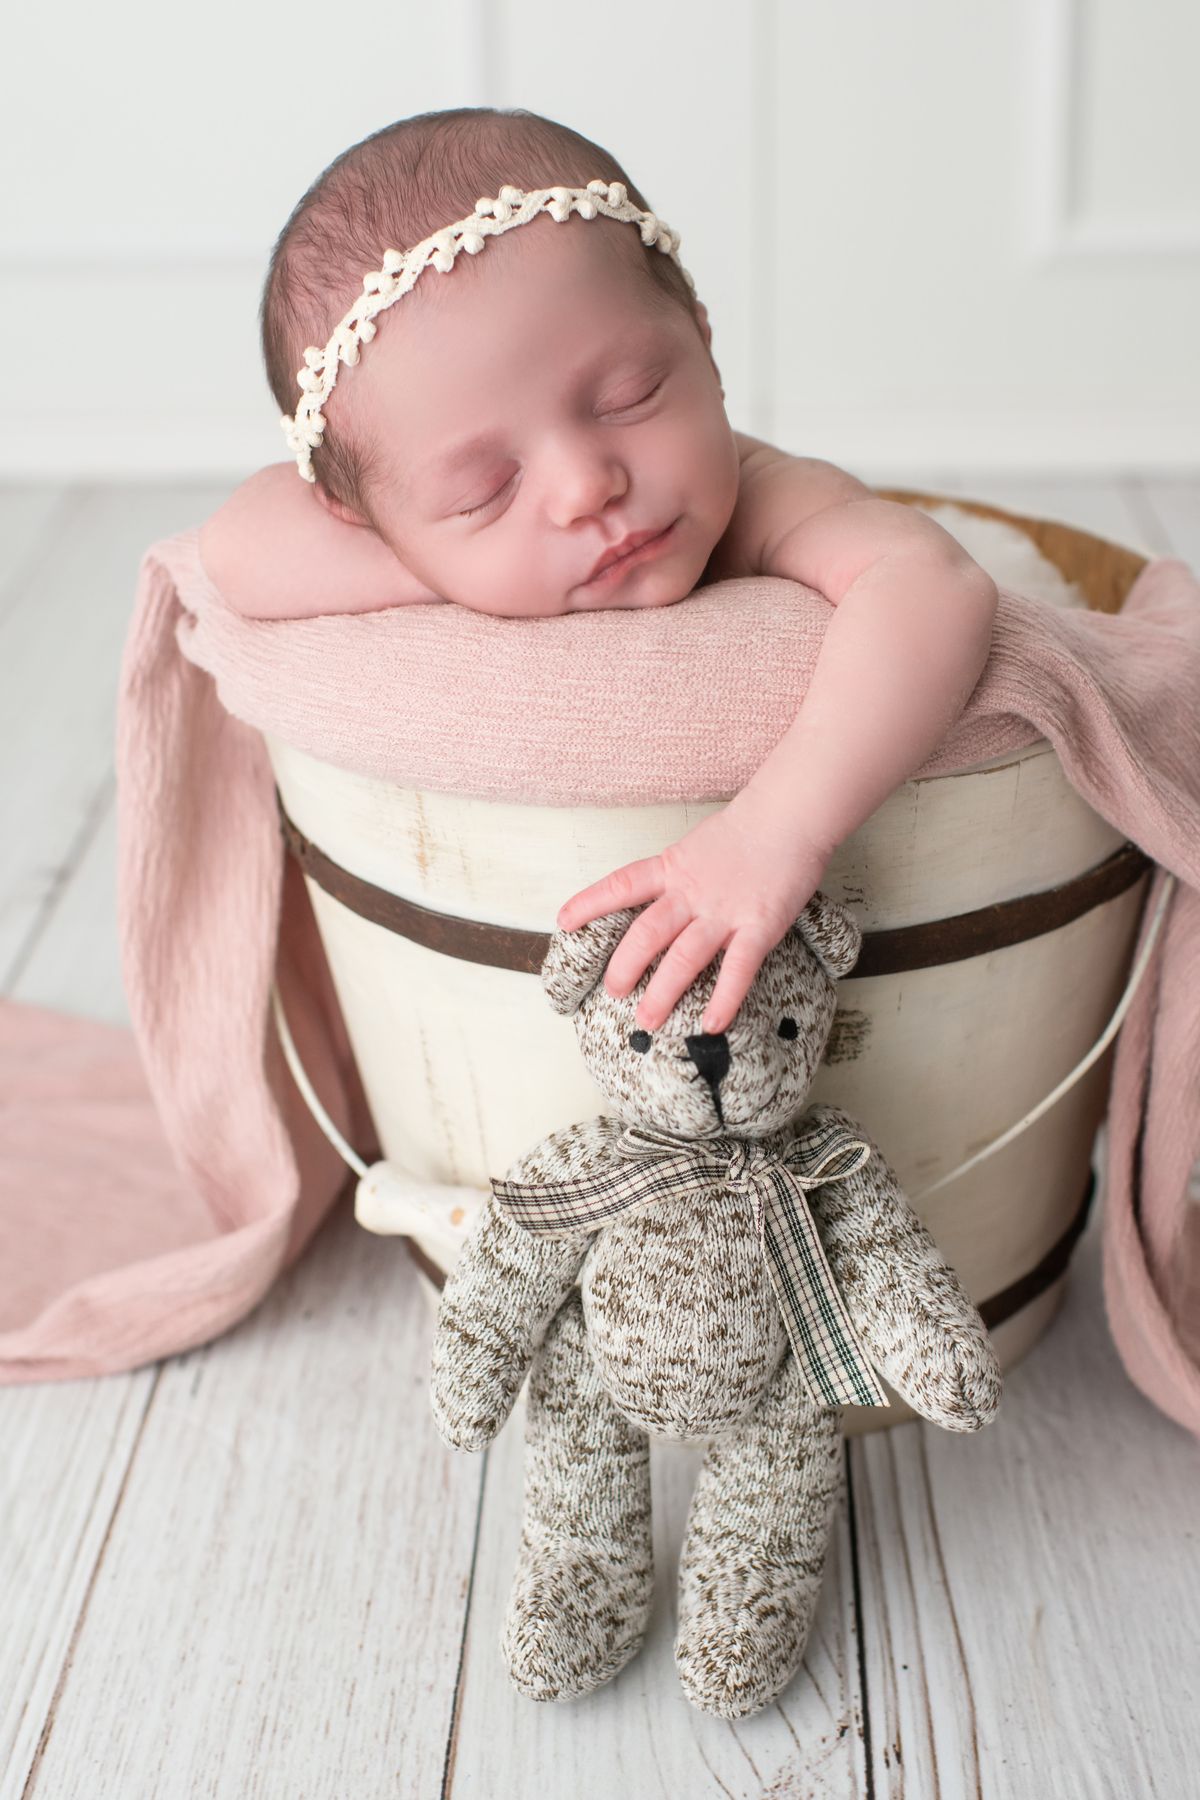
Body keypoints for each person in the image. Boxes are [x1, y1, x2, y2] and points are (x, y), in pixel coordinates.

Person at [201, 108, 997, 1037]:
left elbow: (930, 585)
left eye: (628, 397)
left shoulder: (770, 505)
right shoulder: (429, 536)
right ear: (380, 527)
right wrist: (460, 569)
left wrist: (779, 829)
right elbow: (232, 548)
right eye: (484, 490)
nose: (586, 486)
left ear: (702, 337)